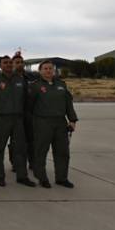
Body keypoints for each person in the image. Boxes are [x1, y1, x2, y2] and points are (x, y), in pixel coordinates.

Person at [0, 55, 36, 187]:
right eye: (5, 63)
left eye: (10, 63)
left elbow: (27, 99)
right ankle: (0, 176)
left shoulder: (20, 79)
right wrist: (0, 108)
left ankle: (22, 176)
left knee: (20, 149)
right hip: (2, 119)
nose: (8, 65)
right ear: (0, 66)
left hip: (18, 119)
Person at [29, 60, 78, 188]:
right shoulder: (35, 86)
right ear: (40, 71)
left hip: (61, 123)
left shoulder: (61, 85)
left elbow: (68, 104)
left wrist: (72, 120)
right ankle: (42, 177)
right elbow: (29, 107)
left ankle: (61, 178)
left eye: (50, 68)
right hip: (42, 122)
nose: (48, 71)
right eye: (45, 68)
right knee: (41, 152)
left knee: (62, 152)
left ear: (54, 70)